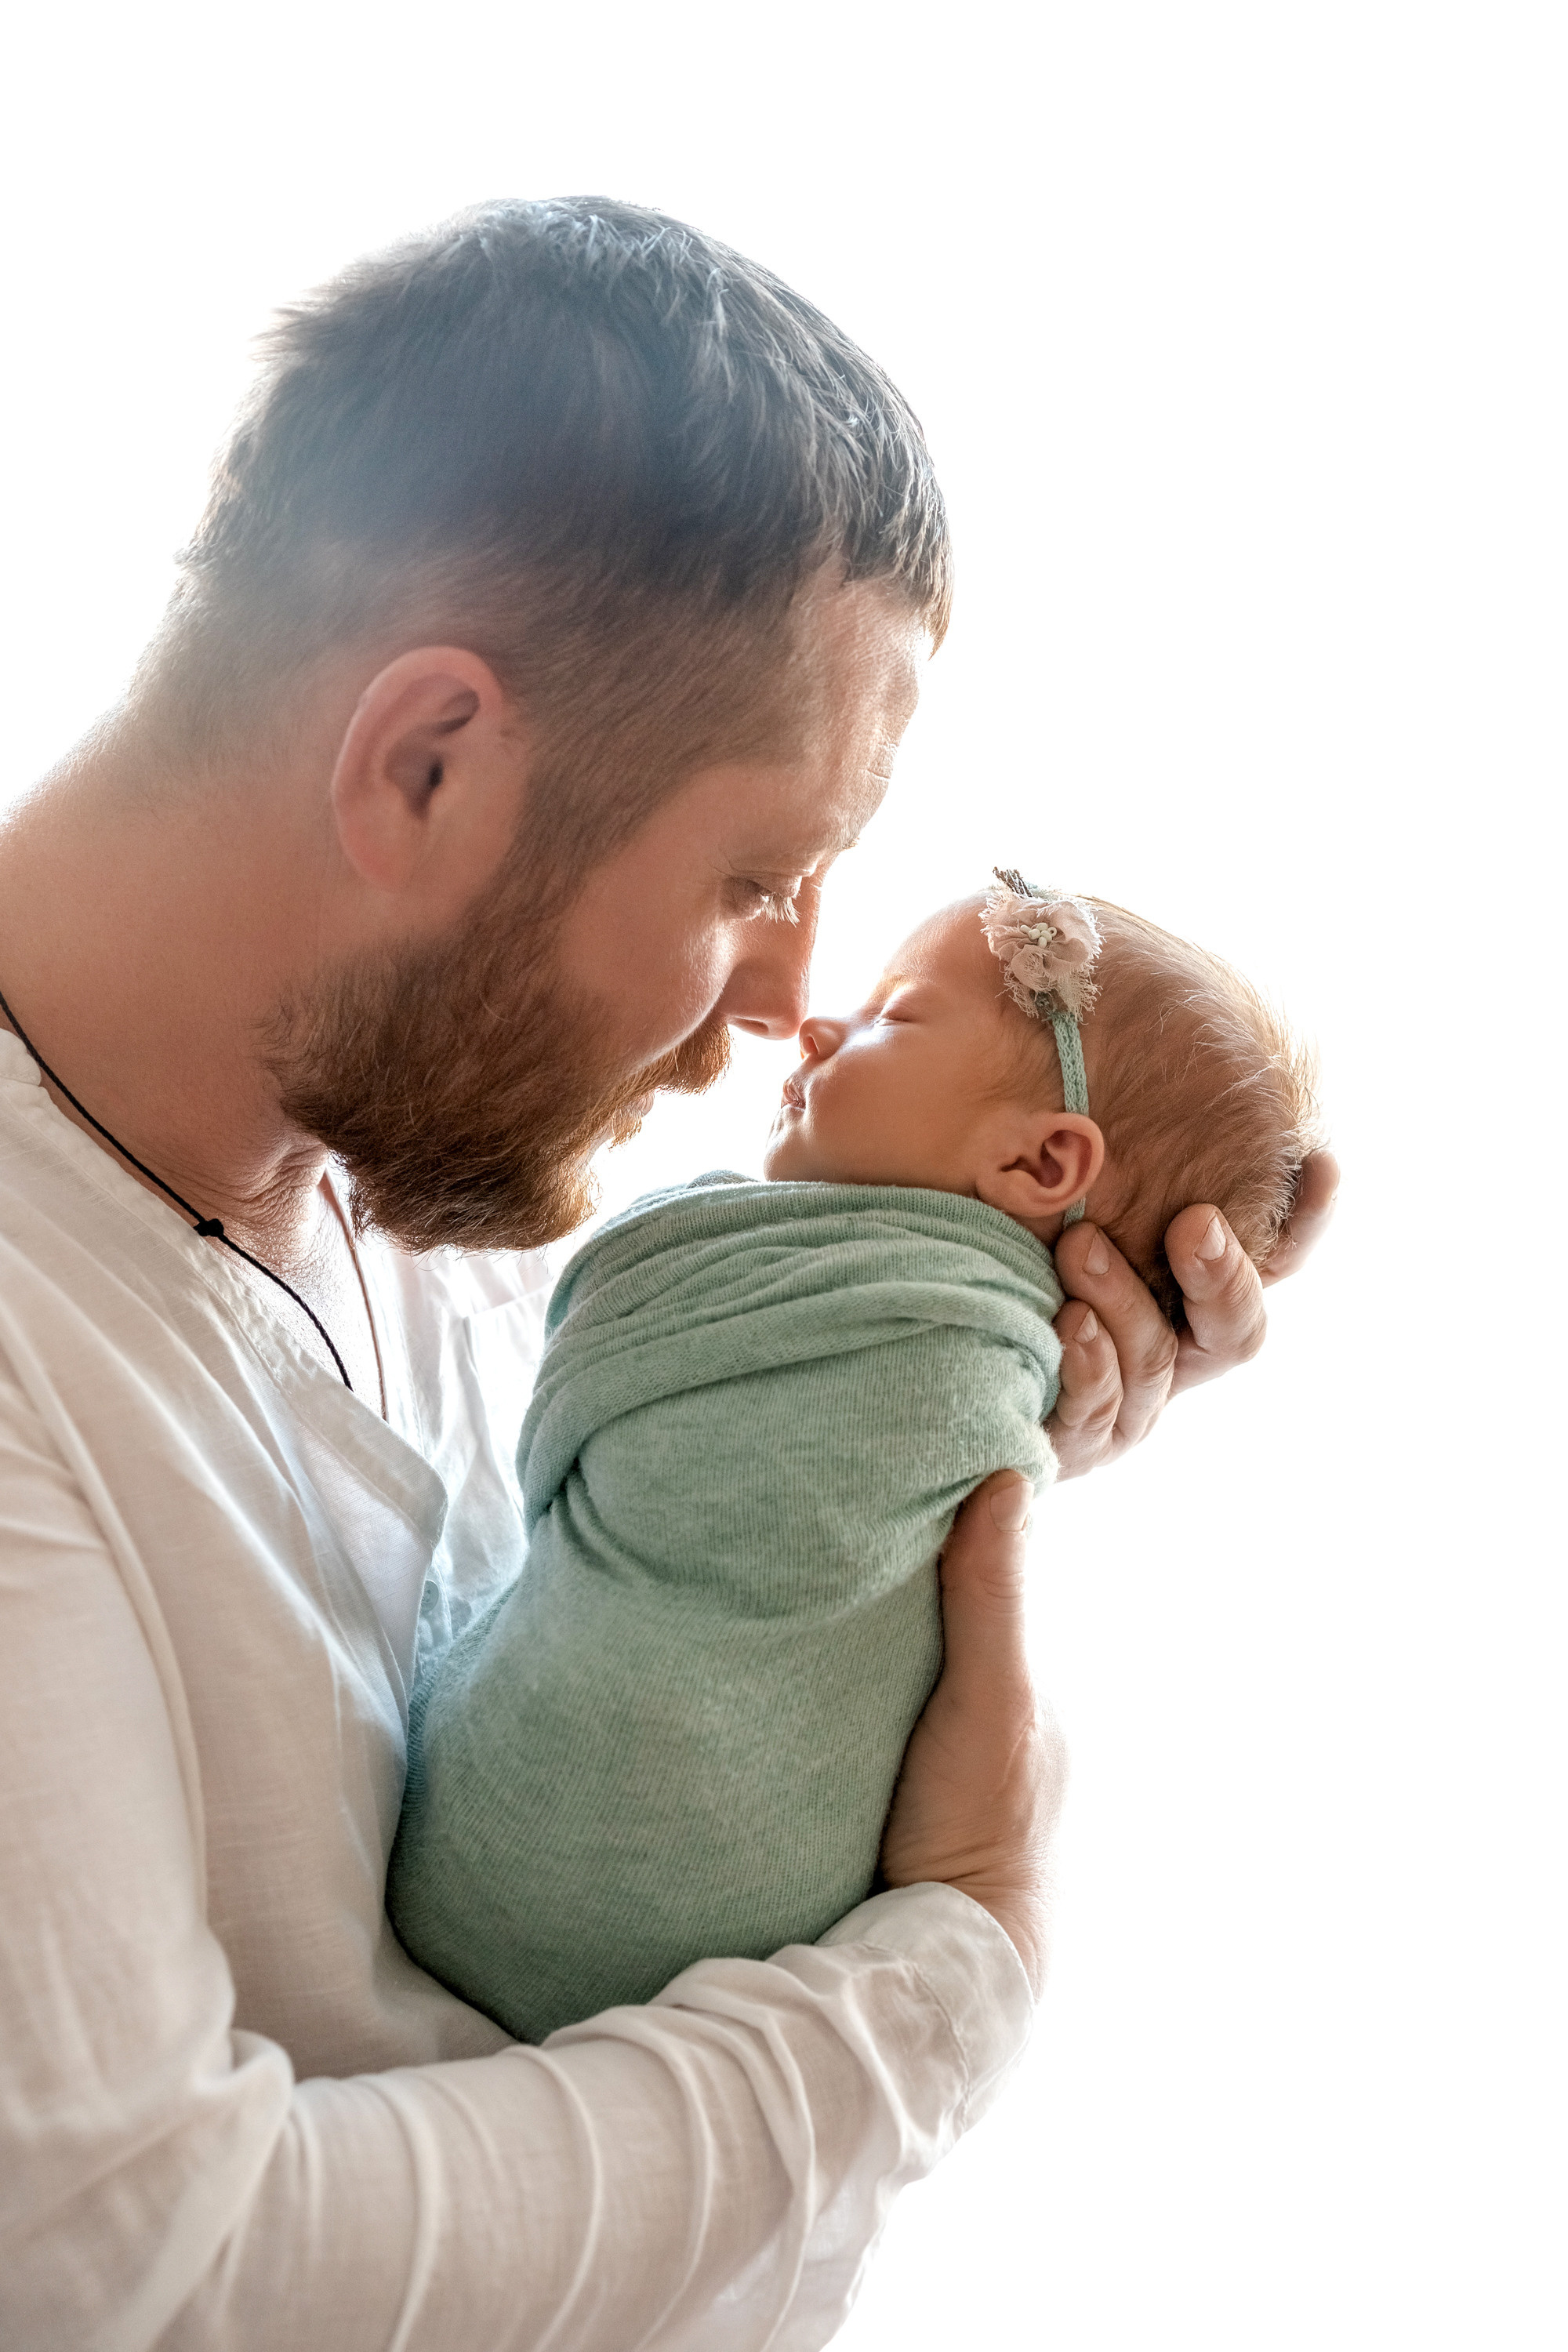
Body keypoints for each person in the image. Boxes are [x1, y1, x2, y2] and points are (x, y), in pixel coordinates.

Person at [0, 198, 1338, 2349]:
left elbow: (623, 1651)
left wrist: (937, 1436)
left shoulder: (422, 1181)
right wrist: (953, 1967)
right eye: (753, 879)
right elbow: (147, 2271)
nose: (781, 1005)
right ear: (426, 764)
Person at [387, 879, 1323, 2044]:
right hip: (729, 1957)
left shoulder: (956, 1355)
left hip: (504, 1860)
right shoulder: (985, 1359)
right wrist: (991, 1888)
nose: (818, 1023)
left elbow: (601, 1383)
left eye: (895, 1015)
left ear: (1039, 1165)